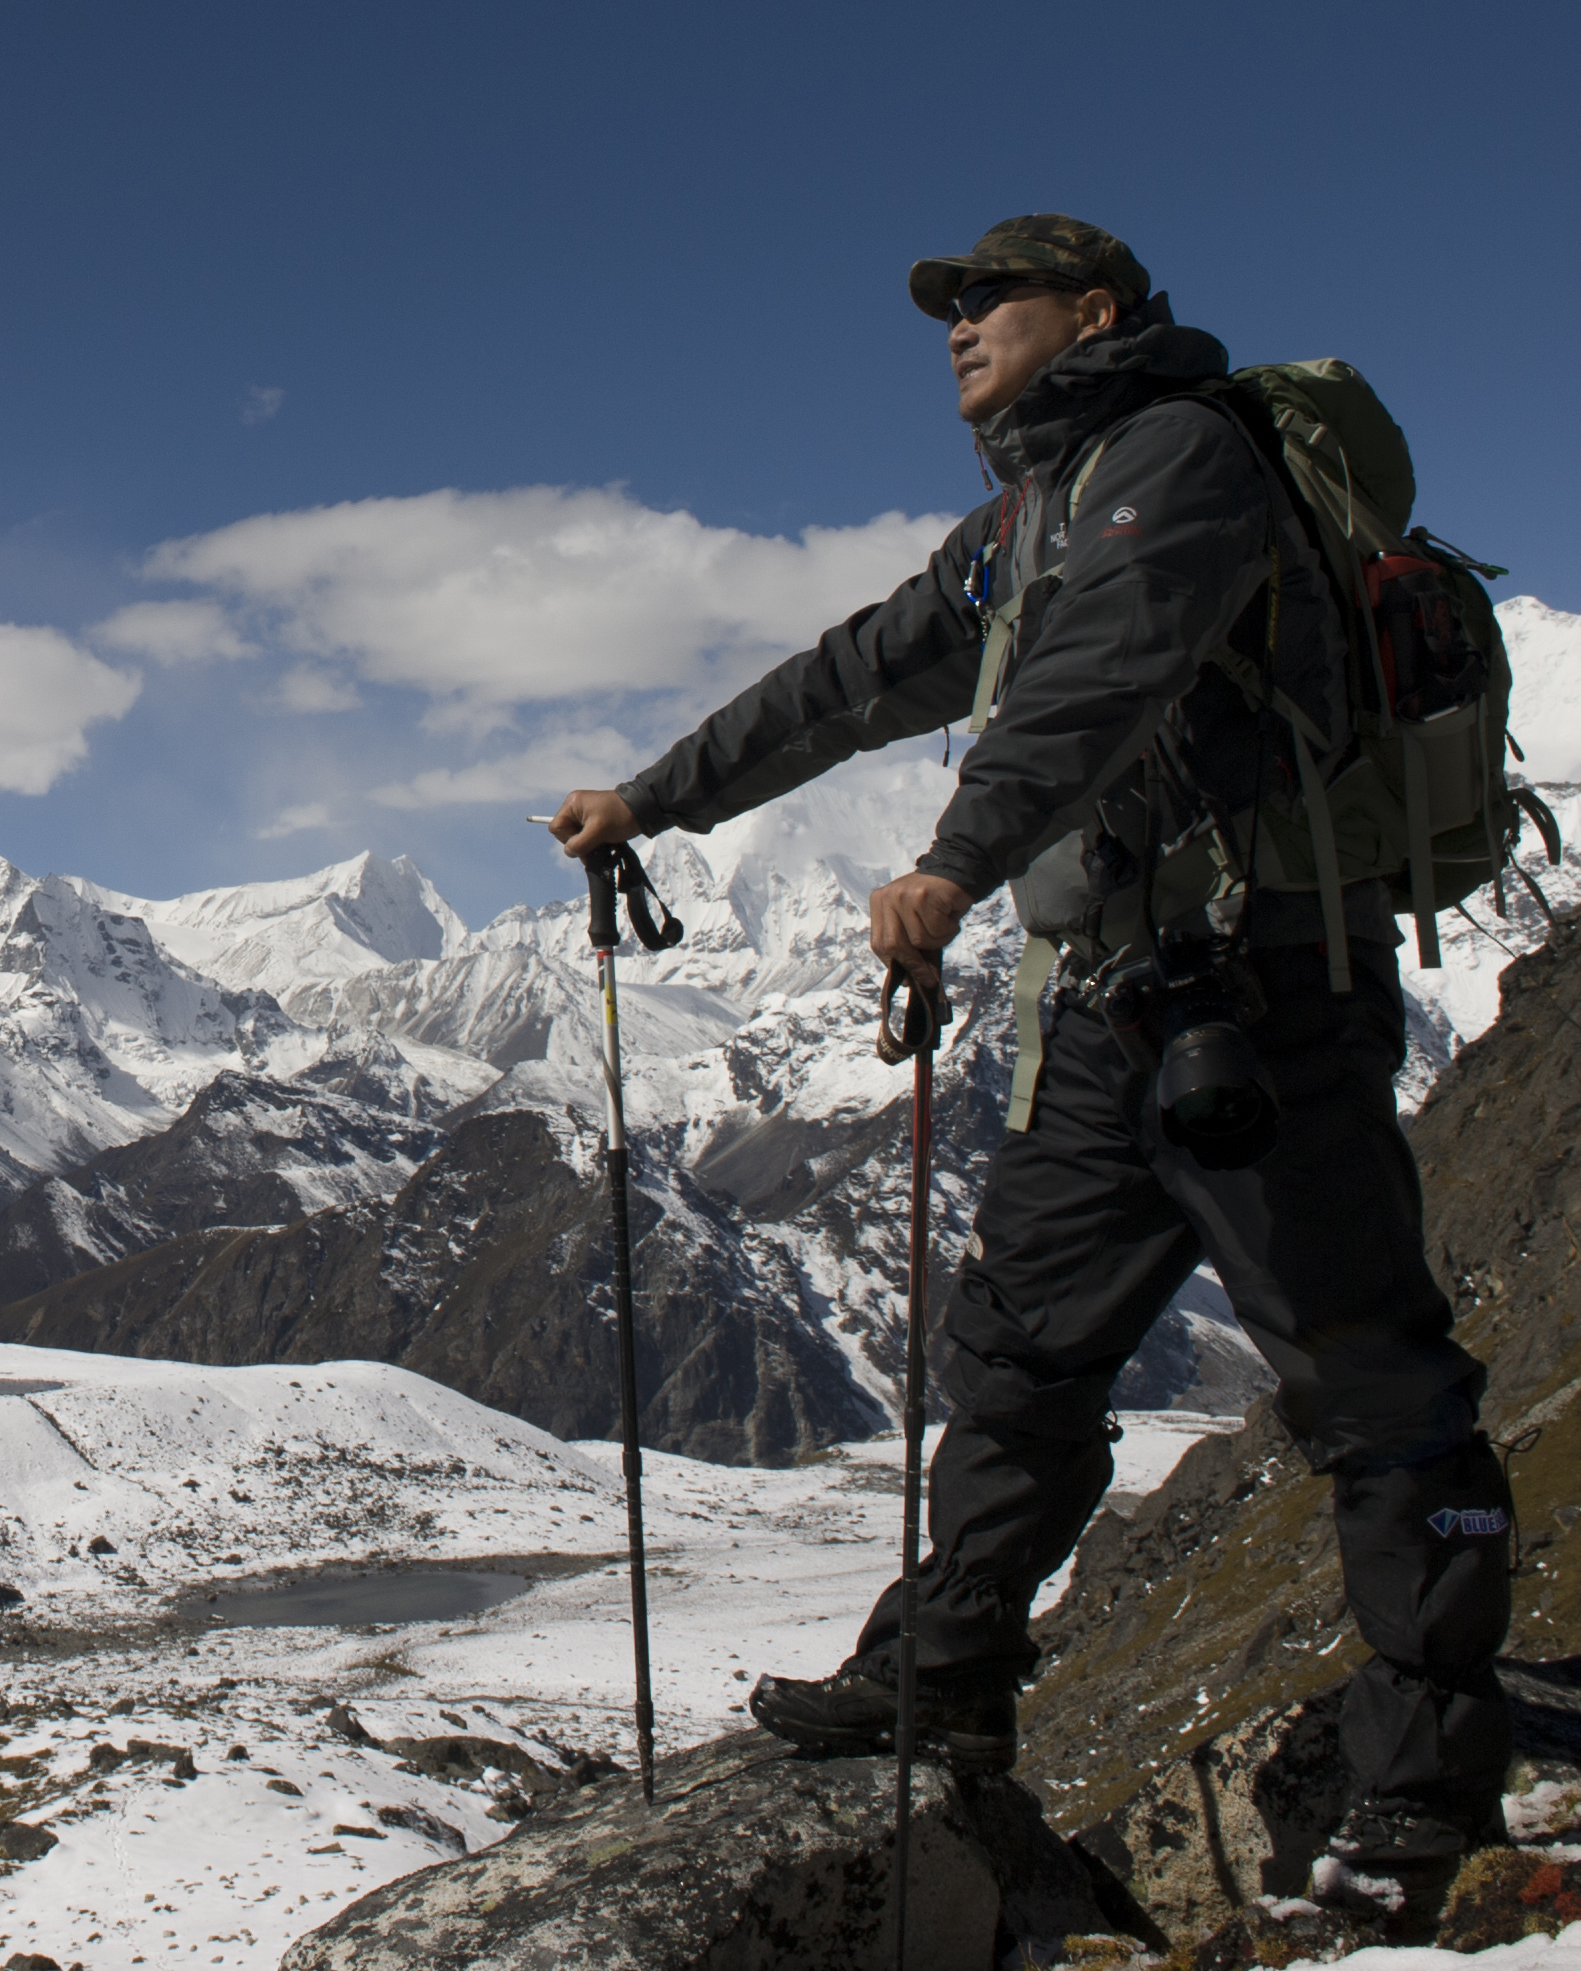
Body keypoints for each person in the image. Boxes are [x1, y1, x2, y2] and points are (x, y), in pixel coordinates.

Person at [547, 214, 1517, 1876]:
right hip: (1122, 1007)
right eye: (951, 303)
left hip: (1269, 990)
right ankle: (947, 1673)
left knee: (1366, 1375)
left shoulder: (1184, 459)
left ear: (1097, 311)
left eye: (992, 297)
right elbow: (850, 678)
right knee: (1019, 1357)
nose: (958, 323)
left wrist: (955, 860)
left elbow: (1101, 673)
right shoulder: (1023, 520)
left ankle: (1432, 1772)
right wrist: (655, 799)